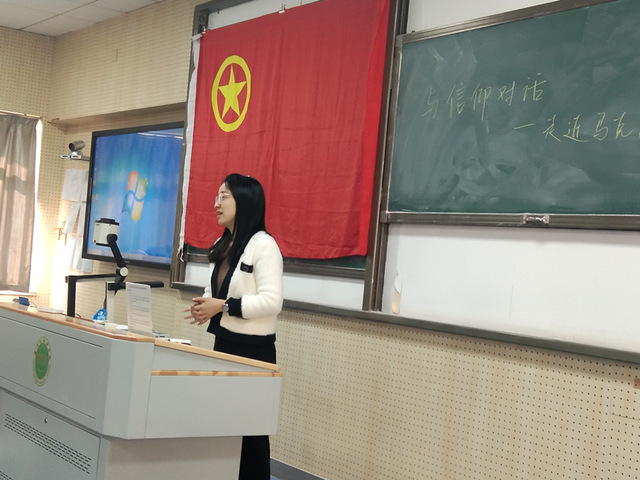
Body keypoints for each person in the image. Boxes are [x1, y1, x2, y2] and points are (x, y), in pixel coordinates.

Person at [186, 173, 283, 480]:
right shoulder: (222, 244)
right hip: (224, 345)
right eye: (217, 197)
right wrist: (204, 305)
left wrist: (223, 306)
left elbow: (272, 302)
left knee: (251, 434)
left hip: (254, 353)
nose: (216, 204)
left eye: (224, 197)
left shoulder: (264, 245)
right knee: (224, 427)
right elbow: (216, 290)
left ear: (244, 201)